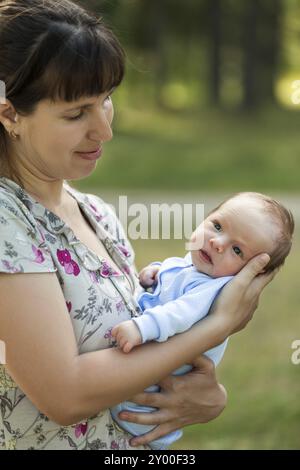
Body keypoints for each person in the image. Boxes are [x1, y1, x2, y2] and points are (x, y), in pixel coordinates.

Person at [0, 0, 277, 451]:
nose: (104, 130)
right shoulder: (6, 220)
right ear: (10, 114)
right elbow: (65, 395)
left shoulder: (96, 213)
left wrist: (209, 396)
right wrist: (218, 325)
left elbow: (141, 358)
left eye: (105, 100)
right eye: (76, 114)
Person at [111, 192, 294, 449]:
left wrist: (141, 328)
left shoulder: (214, 291)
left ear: (249, 273)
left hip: (145, 406)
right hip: (138, 379)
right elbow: (174, 272)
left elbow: (180, 313)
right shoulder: (194, 267)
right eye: (217, 226)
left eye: (237, 250)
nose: (218, 243)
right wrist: (154, 271)